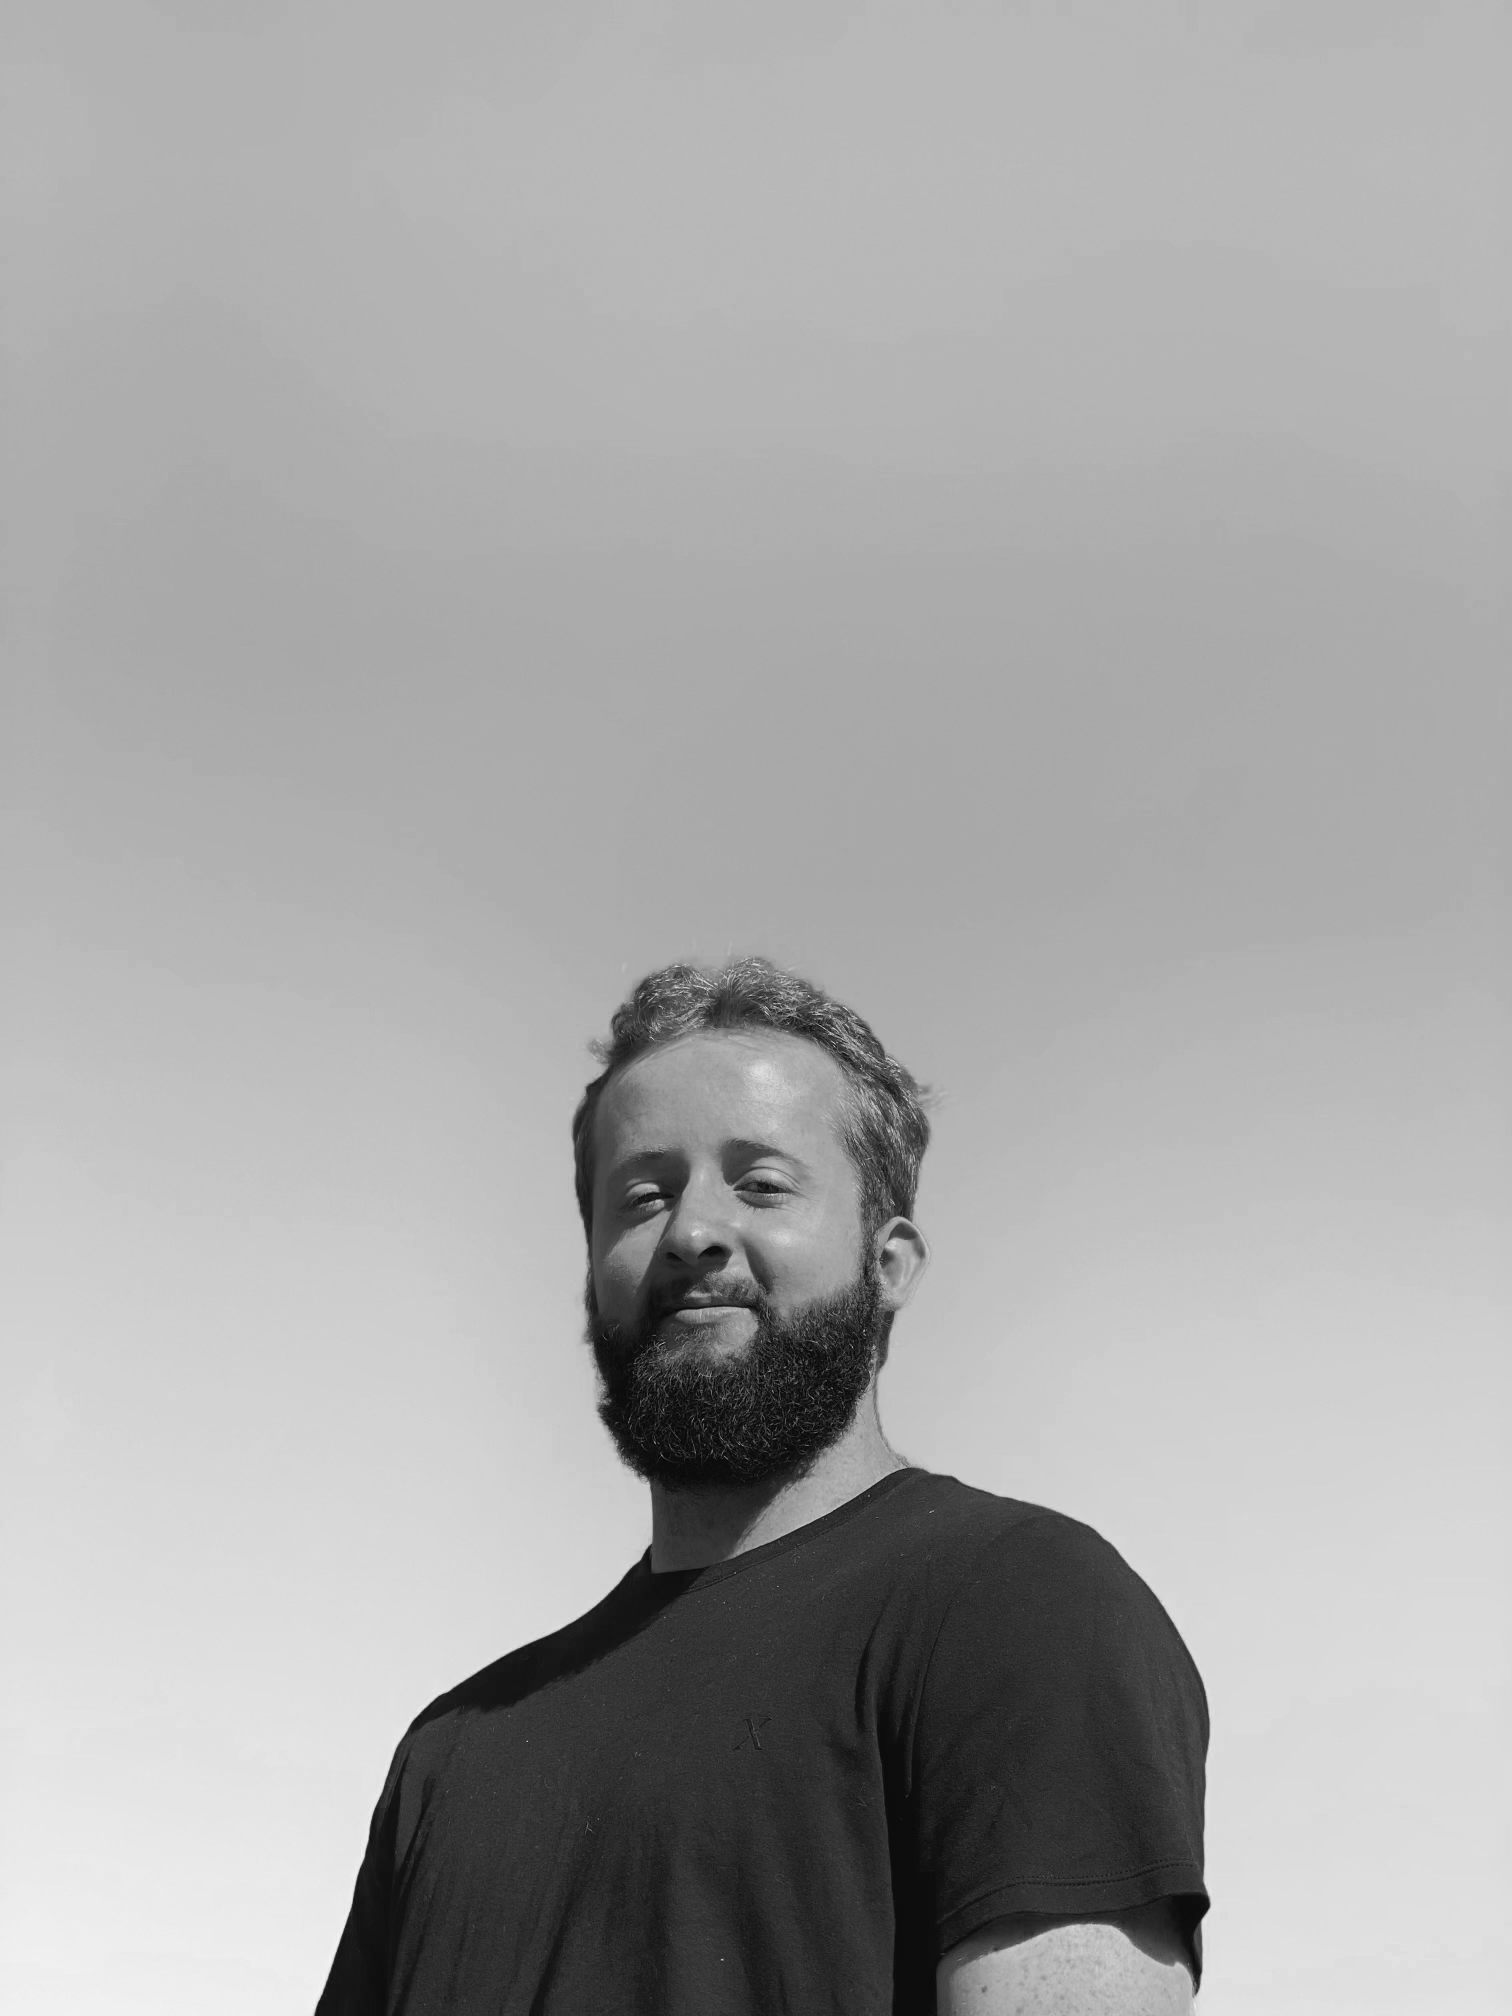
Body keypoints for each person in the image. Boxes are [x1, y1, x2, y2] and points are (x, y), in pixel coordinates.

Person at [316, 958, 1209, 2015]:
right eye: (643, 1195)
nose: (692, 1232)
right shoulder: (450, 1755)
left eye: (761, 1184)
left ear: (889, 1265)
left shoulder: (1017, 1606)